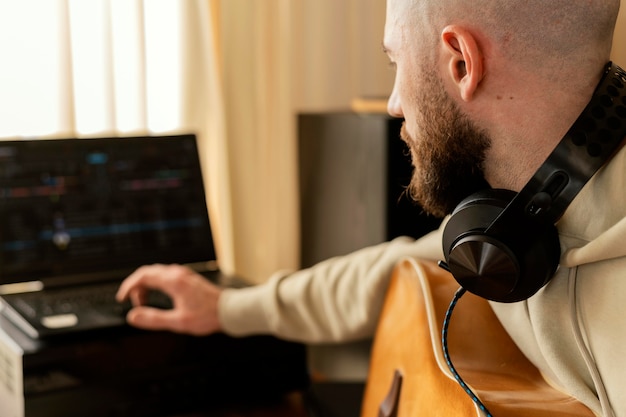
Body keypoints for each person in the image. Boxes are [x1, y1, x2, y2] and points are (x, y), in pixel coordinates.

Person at [117, 0, 626, 415]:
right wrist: (224, 307)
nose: (394, 103)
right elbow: (387, 273)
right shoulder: (516, 217)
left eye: (395, 64)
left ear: (461, 64)